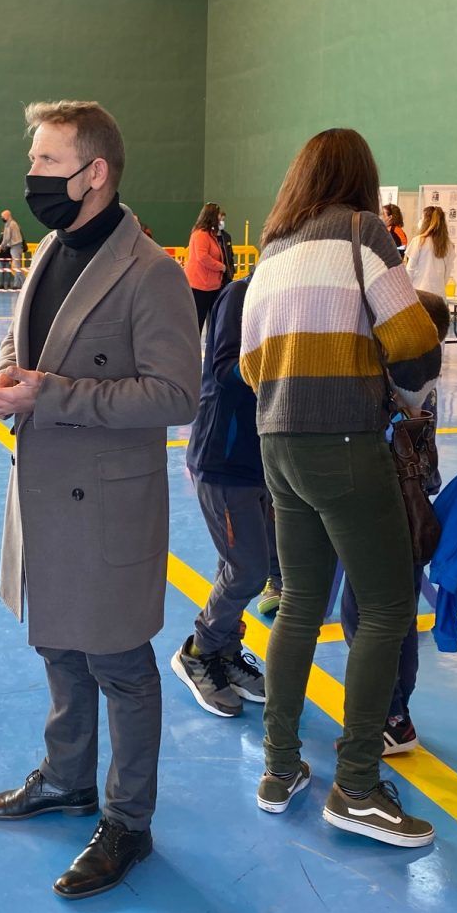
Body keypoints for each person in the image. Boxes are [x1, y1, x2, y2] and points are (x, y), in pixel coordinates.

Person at [0, 100, 199, 900]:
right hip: (45, 490)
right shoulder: (48, 251)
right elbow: (25, 340)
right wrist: (7, 374)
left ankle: (128, 821)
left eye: (47, 162)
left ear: (95, 173)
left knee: (120, 664)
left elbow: (176, 394)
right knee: (58, 644)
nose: (32, 176)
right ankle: (67, 779)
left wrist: (51, 394)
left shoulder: (152, 272)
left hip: (107, 502)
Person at [239, 128, 440, 847]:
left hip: (277, 443)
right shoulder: (363, 234)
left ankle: (279, 767)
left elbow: (249, 363)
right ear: (361, 178)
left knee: (299, 602)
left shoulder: (273, 251)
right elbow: (413, 342)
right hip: (347, 442)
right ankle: (355, 785)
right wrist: (404, 395)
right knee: (386, 607)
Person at [336, 289, 452, 756]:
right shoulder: (427, 377)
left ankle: (387, 716)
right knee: (398, 616)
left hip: (388, 506)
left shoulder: (398, 382)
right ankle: (397, 715)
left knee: (364, 615)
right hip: (414, 506)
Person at [171, 275, 277, 717]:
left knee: (241, 562)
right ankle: (199, 651)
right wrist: (289, 360)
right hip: (224, 459)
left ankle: (226, 650)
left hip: (262, 459)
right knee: (248, 569)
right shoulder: (240, 294)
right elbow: (223, 368)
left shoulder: (287, 294)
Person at [187, 202, 229, 329]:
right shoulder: (201, 235)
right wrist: (221, 267)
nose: (220, 219)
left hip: (211, 286)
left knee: (213, 322)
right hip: (200, 287)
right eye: (218, 216)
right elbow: (202, 257)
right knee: (198, 323)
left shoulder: (210, 235)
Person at [404, 205, 454, 297]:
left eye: (421, 218)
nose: (420, 221)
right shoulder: (449, 245)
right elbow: (447, 272)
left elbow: (410, 269)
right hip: (439, 294)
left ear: (426, 221)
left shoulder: (419, 241)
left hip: (420, 292)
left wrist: (405, 290)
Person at [0, 208, 25, 290]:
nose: (2, 218)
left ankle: (26, 283)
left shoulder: (9, 224)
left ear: (7, 216)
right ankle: (17, 285)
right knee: (17, 266)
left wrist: (1, 246)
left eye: (2, 216)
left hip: (15, 247)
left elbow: (6, 238)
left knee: (17, 267)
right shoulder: (14, 223)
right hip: (17, 247)